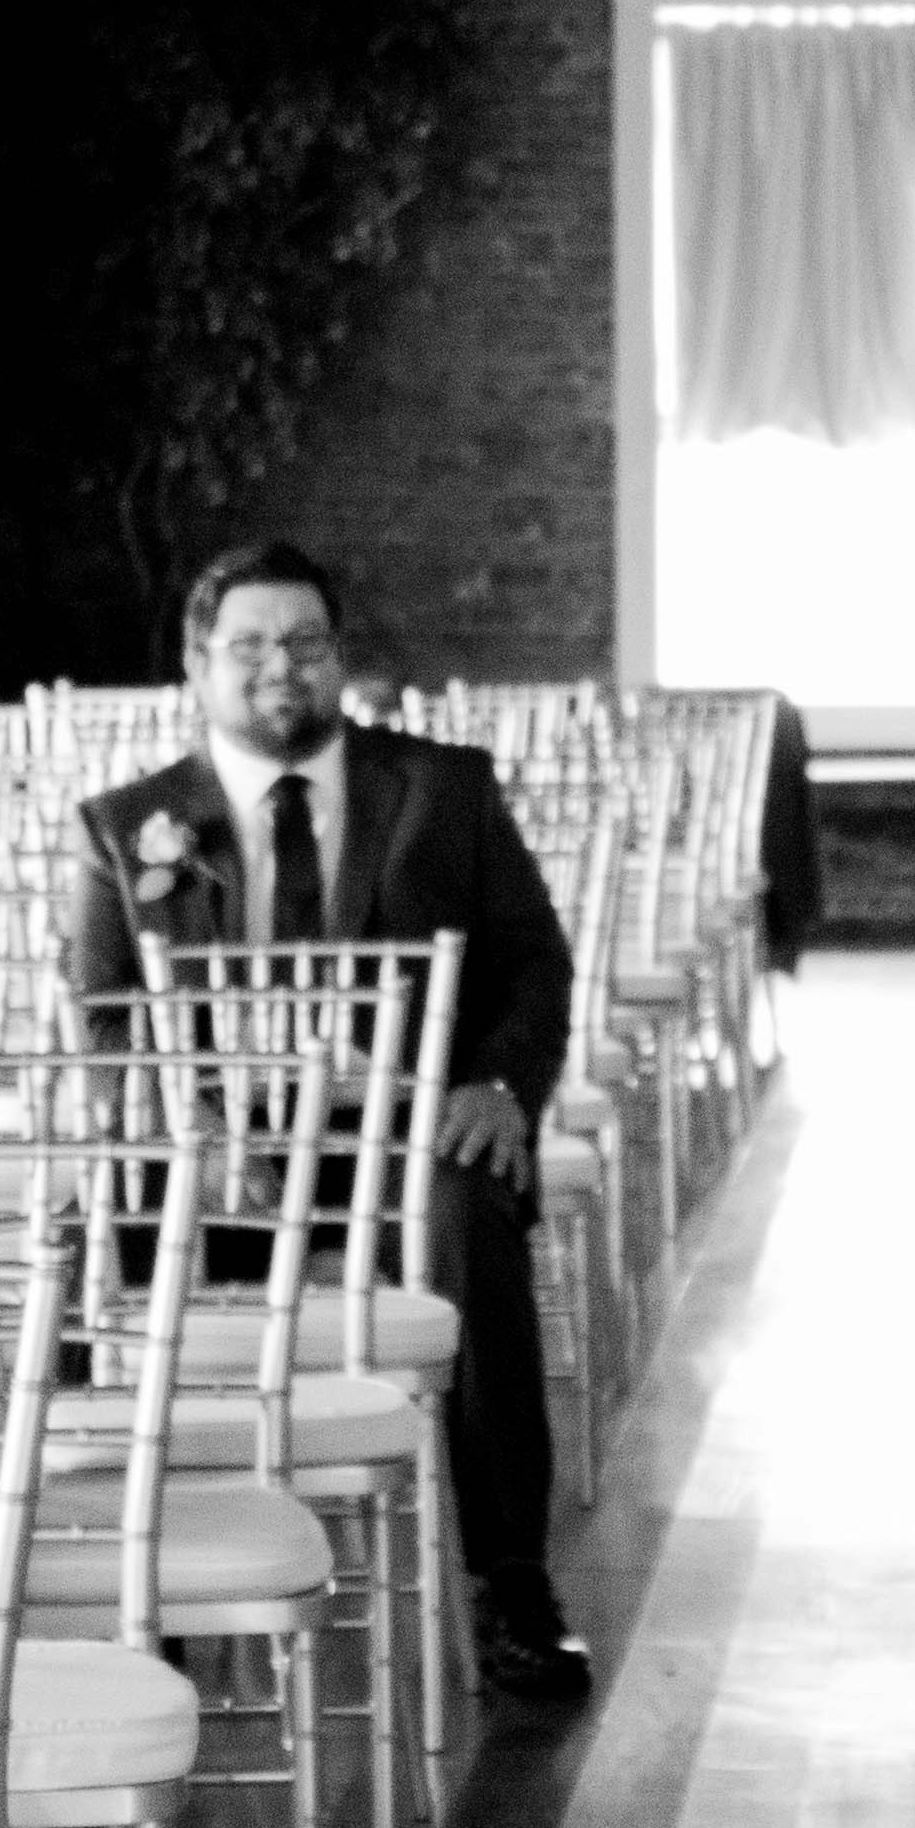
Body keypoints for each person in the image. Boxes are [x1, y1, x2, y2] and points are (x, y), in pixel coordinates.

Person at [61, 539, 592, 1707]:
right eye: (247, 645)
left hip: (405, 1148)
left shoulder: (443, 791)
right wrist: (194, 1112)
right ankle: (120, 1584)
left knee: (472, 1215)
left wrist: (496, 1088)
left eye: (304, 641)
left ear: (338, 656)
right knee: (72, 1231)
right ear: (199, 666)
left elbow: (535, 967)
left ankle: (511, 1581)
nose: (278, 667)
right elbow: (102, 1027)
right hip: (219, 1162)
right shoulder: (128, 826)